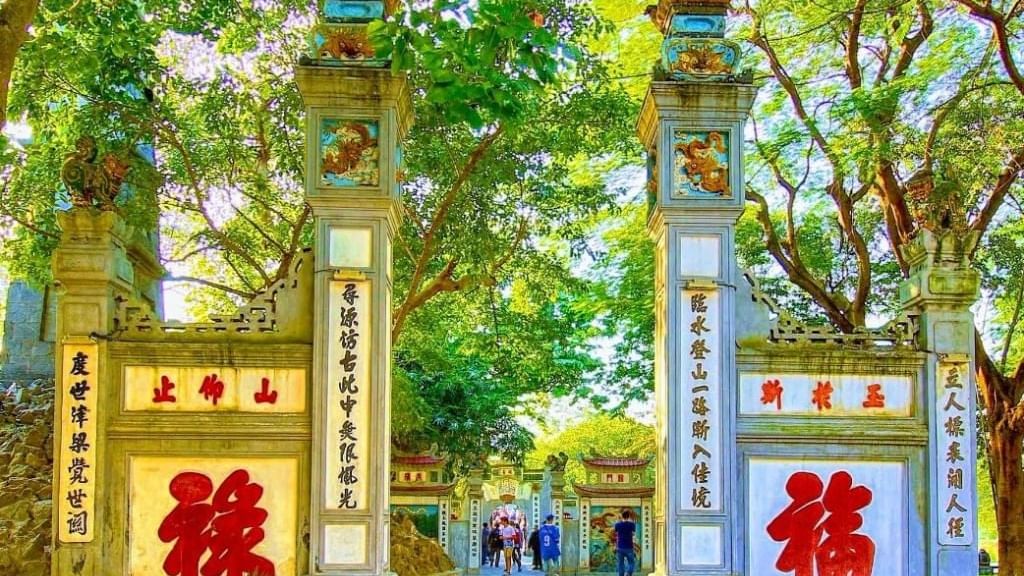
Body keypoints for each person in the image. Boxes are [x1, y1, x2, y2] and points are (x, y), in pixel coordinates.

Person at [613, 509, 637, 576]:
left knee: (621, 564)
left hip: (620, 547)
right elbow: (634, 534)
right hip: (629, 547)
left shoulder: (617, 524)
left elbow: (615, 533)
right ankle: (628, 574)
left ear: (622, 516)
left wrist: (615, 545)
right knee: (631, 563)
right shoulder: (632, 524)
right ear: (629, 516)